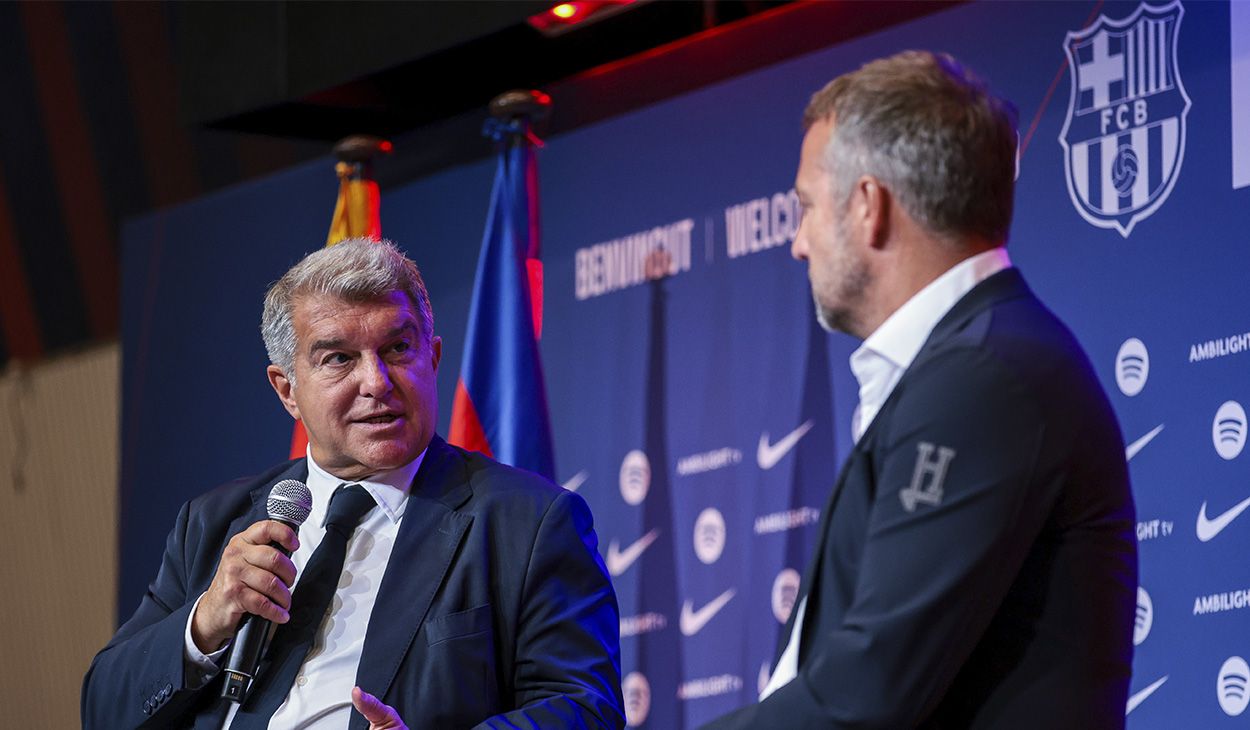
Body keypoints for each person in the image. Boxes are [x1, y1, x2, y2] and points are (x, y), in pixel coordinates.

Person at [705, 51, 1137, 728]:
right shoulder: (969, 366)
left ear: (869, 207)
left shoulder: (984, 379)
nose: (797, 243)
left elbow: (864, 694)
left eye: (806, 208)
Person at [82, 238, 625, 729]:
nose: (376, 381)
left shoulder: (527, 522)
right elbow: (103, 710)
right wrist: (204, 624)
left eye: (397, 349)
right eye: (339, 358)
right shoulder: (213, 522)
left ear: (433, 358)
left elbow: (585, 708)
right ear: (287, 391)